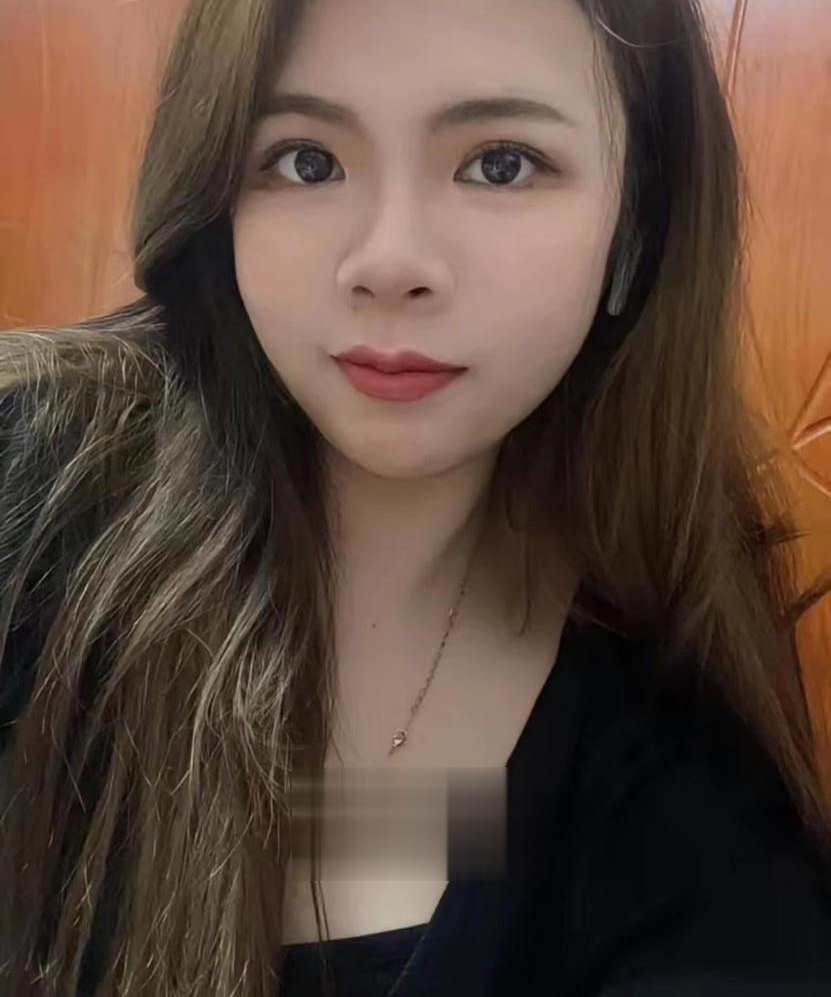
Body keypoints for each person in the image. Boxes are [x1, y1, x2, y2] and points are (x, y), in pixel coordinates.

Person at [1, 0, 831, 994]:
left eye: (501, 164)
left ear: (635, 229)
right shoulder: (34, 472)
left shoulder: (670, 736)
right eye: (307, 161)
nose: (389, 263)